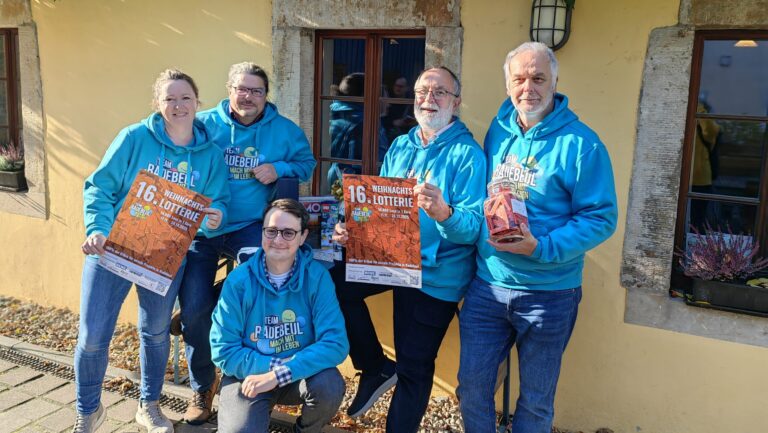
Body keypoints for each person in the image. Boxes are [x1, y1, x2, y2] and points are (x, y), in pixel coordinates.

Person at [456, 42, 618, 433]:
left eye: (538, 78)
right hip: (488, 287)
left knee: (536, 403)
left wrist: (542, 247)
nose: (528, 87)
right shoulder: (498, 130)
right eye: (519, 79)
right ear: (508, 84)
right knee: (472, 390)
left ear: (555, 82)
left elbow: (601, 218)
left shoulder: (583, 144)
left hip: (550, 294)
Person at [75, 69, 231, 433]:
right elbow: (99, 187)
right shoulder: (134, 138)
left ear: (197, 102)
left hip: (164, 257)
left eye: (185, 98)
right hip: (114, 249)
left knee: (156, 332)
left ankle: (149, 405)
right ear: (158, 104)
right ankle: (88, 412)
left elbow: (219, 202)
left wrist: (215, 217)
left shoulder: (210, 155)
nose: (178, 105)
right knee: (93, 336)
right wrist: (97, 230)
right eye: (170, 99)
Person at [332, 66, 486, 433]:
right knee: (332, 282)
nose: (428, 99)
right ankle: (373, 366)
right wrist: (352, 230)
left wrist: (444, 213)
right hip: (393, 261)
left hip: (435, 277)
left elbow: (473, 229)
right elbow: (382, 213)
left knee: (414, 368)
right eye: (422, 91)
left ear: (457, 102)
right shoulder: (402, 144)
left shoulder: (469, 155)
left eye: (439, 93)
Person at [175, 62, 316, 424]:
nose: (247, 96)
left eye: (256, 90)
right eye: (241, 88)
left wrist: (280, 168)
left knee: (259, 290)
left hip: (251, 226)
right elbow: (175, 151)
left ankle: (246, 376)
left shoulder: (284, 130)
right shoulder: (205, 123)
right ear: (228, 89)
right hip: (203, 228)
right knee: (194, 311)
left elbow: (307, 163)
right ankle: (202, 387)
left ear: (266, 96)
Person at [209, 198, 349, 433]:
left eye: (288, 233)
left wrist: (280, 374)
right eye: (271, 231)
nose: (278, 240)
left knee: (330, 385)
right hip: (247, 374)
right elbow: (223, 349)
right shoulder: (239, 282)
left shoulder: (317, 278)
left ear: (303, 236)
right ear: (262, 232)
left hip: (298, 374)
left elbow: (336, 343)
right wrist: (271, 368)